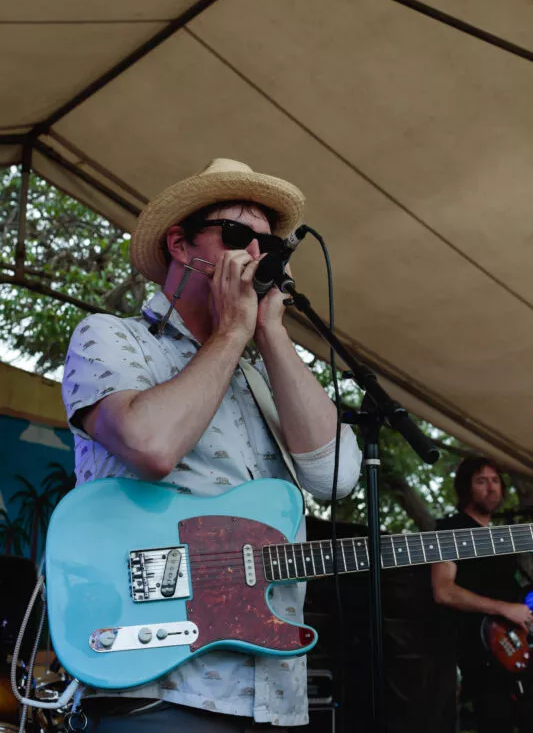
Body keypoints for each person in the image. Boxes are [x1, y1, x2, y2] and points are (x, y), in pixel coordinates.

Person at [61, 158, 361, 731]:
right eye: (237, 236)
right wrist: (229, 334)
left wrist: (269, 332)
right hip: (158, 684)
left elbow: (337, 477)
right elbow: (151, 445)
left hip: (272, 692)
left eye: (271, 244)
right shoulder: (112, 337)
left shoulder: (260, 372)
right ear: (180, 244)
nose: (258, 255)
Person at [431, 455, 533, 733]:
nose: (491, 488)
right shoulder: (450, 529)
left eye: (495, 480)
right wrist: (503, 609)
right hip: (481, 655)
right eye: (481, 481)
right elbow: (443, 591)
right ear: (466, 488)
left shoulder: (501, 537)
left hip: (518, 647)